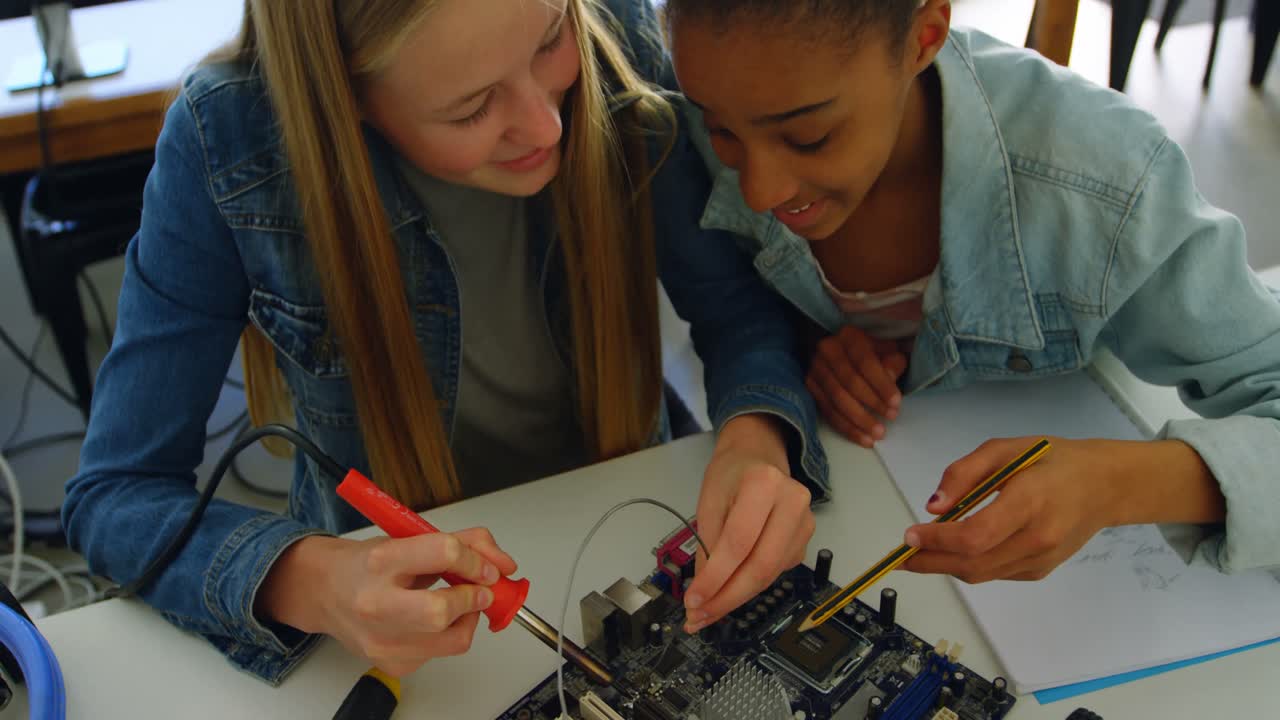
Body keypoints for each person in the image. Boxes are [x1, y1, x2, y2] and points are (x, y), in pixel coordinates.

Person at [64, 0, 824, 683]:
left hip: (632, 525)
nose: (548, 126)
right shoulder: (225, 139)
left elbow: (737, 312)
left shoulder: (615, 33)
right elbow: (116, 498)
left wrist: (756, 440)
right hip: (404, 647)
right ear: (348, 97)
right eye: (471, 109)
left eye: (549, 40)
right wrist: (314, 580)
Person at [663, 0, 1280, 597]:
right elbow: (732, 306)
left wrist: (1116, 485)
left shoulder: (1106, 185)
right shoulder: (697, 101)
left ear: (924, 38)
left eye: (808, 136)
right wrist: (806, 345)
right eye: (721, 131)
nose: (760, 190)